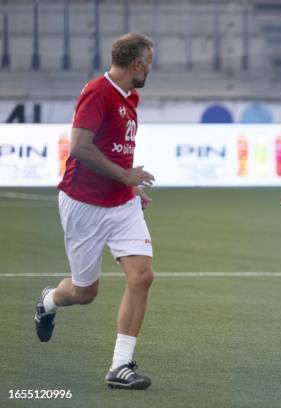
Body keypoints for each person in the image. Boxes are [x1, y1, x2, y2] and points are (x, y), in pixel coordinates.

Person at [34, 32, 157, 388]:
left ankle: (121, 366)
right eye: (148, 63)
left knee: (142, 276)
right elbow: (79, 148)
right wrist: (123, 174)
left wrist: (128, 185)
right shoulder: (97, 92)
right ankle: (49, 301)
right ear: (136, 64)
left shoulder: (130, 96)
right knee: (84, 293)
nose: (150, 69)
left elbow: (116, 148)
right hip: (83, 203)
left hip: (121, 203)